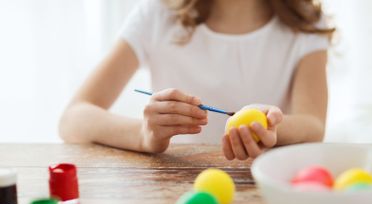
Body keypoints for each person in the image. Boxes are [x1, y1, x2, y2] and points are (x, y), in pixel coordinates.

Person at [59, 0, 334, 160]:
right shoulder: (156, 15)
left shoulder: (307, 25)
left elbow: (313, 125)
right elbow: (73, 119)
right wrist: (144, 135)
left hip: (267, 191)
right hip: (173, 193)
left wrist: (272, 127)